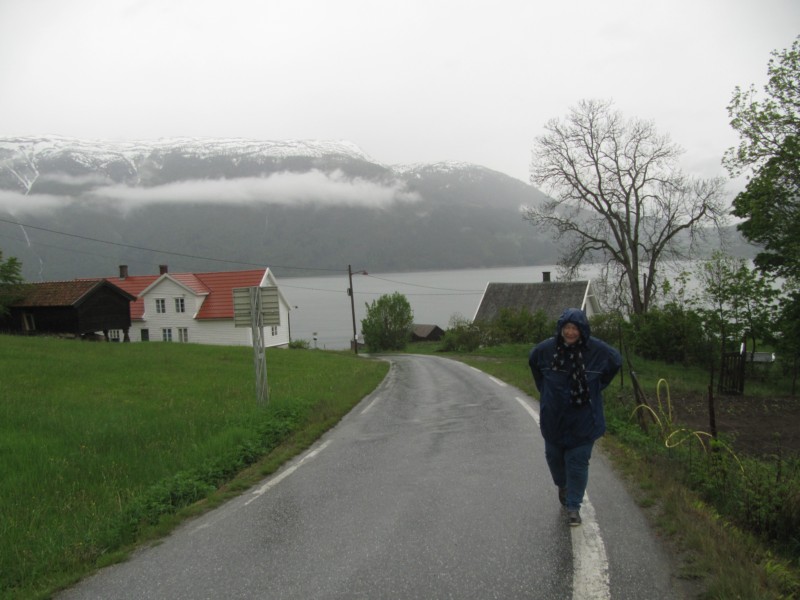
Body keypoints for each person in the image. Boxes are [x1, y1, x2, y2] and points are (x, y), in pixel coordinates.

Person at [528, 307, 622, 526]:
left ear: (582, 330)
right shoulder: (546, 350)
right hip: (554, 419)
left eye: (575, 328)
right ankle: (563, 485)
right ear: (561, 329)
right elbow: (534, 364)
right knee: (555, 459)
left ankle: (573, 507)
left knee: (577, 462)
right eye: (567, 328)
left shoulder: (596, 350)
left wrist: (597, 386)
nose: (570, 332)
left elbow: (616, 362)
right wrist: (546, 391)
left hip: (584, 419)